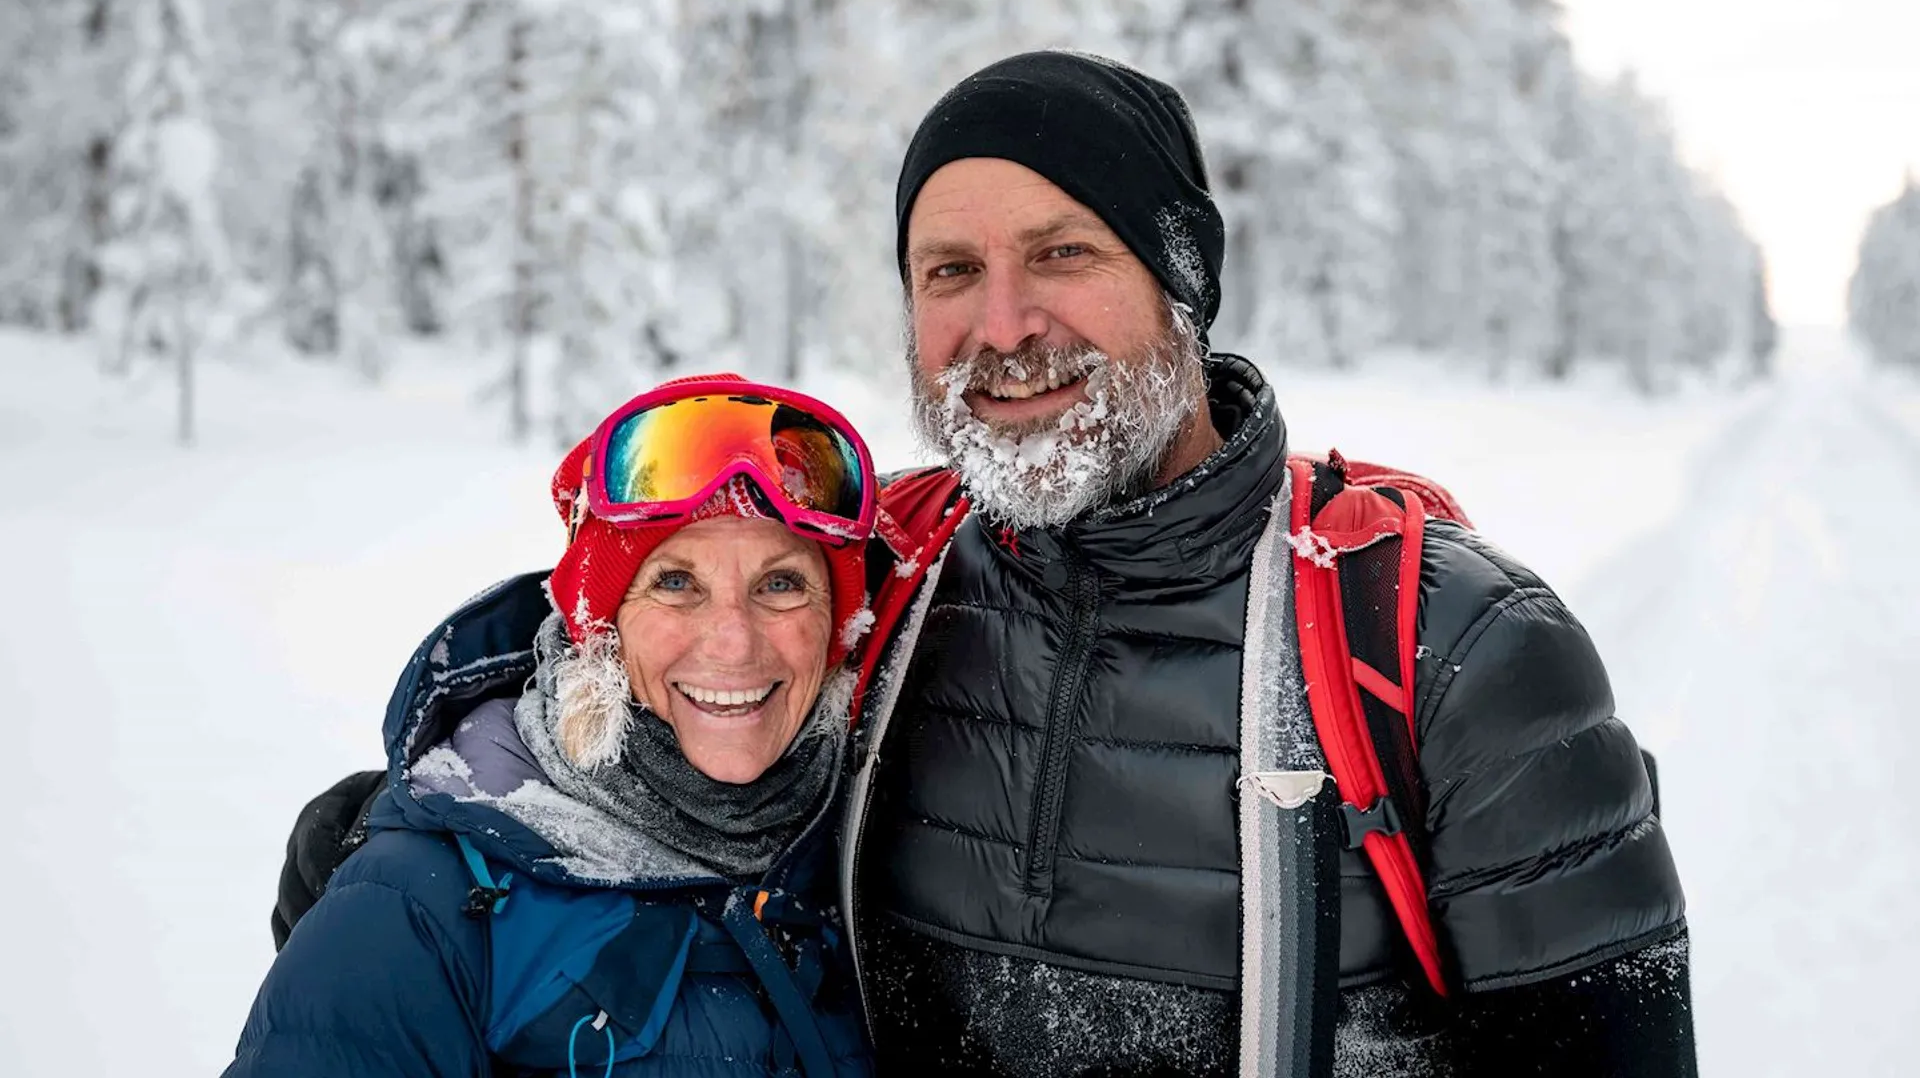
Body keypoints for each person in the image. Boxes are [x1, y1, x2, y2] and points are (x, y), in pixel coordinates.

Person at [278, 52, 1696, 1076]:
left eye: (1062, 254)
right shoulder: (888, 576)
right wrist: (426, 842)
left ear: (1183, 280)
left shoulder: (1449, 646)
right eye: (949, 272)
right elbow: (654, 638)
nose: (1003, 325)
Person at [228, 376, 879, 1077]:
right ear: (599, 629)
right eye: (675, 582)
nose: (733, 643)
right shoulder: (420, 910)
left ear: (839, 626)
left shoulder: (871, 858)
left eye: (780, 584)